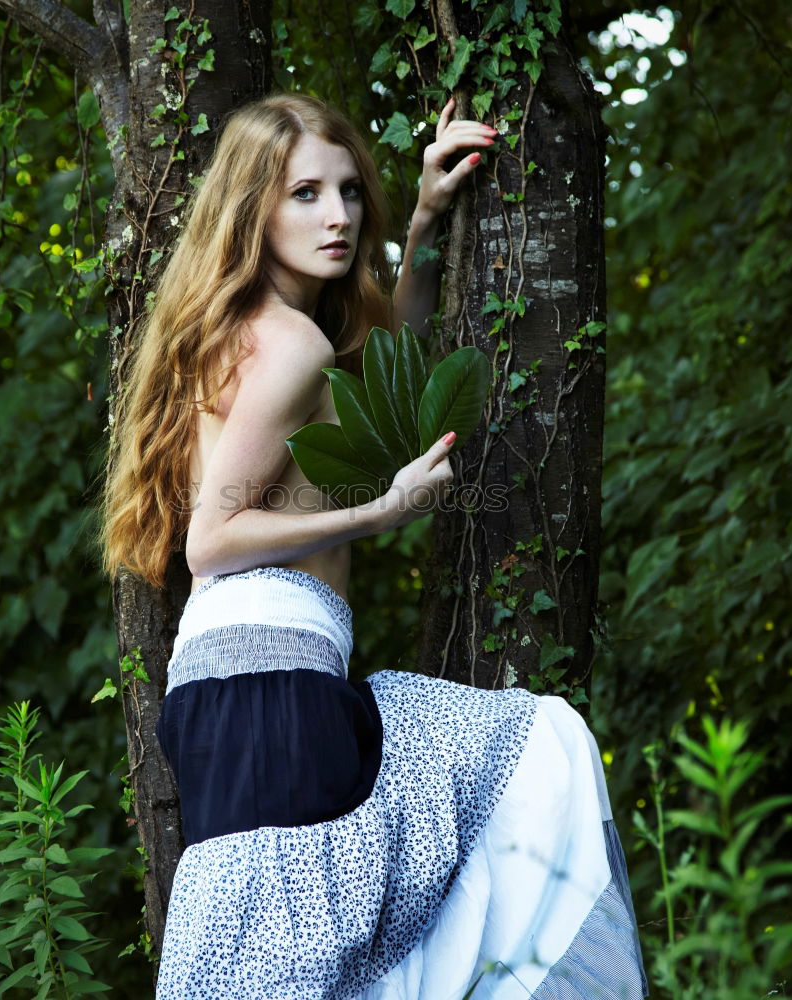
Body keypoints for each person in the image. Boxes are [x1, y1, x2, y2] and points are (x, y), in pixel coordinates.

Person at [102, 93, 647, 1000]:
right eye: (305, 194)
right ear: (251, 211)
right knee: (538, 749)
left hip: (239, 687)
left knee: (280, 965)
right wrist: (379, 512)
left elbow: (386, 373)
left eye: (351, 192)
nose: (340, 216)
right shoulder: (287, 349)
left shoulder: (243, 335)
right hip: (271, 686)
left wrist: (428, 213)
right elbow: (213, 540)